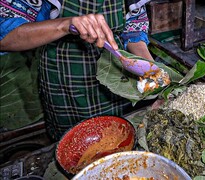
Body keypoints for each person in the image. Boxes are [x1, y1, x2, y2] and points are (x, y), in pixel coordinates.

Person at [0, 0, 153, 141]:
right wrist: (64, 25)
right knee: (76, 145)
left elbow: (134, 32)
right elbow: (5, 37)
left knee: (120, 137)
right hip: (66, 81)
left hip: (117, 79)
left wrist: (152, 72)